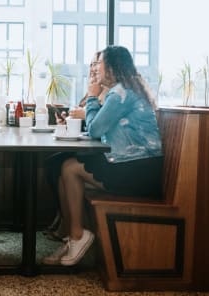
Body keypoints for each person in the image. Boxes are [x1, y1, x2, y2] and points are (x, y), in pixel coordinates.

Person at [43, 45, 163, 266]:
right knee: (63, 170)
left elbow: (96, 129)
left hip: (141, 171)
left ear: (113, 67)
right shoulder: (122, 90)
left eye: (99, 63)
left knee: (69, 168)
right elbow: (100, 128)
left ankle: (79, 236)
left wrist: (91, 97)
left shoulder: (122, 93)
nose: (96, 68)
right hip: (132, 164)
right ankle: (73, 237)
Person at [44, 52, 103, 241]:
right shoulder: (93, 91)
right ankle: (64, 218)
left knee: (61, 165)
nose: (93, 68)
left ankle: (68, 225)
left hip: (102, 151)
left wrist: (84, 114)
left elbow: (97, 125)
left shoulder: (109, 93)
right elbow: (88, 123)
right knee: (54, 163)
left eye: (98, 64)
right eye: (92, 64)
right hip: (92, 145)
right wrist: (66, 122)